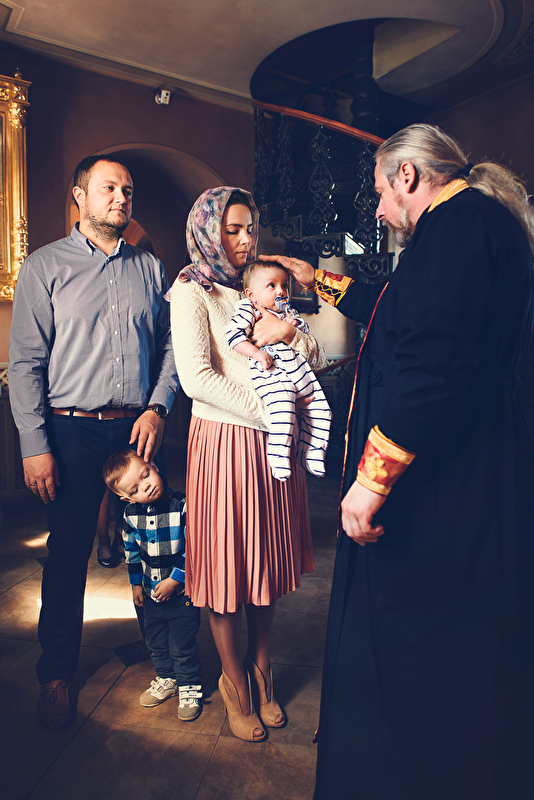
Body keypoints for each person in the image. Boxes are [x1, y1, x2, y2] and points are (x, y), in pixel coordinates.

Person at [261, 124, 534, 799]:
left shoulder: (456, 230)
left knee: (425, 642)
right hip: (471, 466)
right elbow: (392, 308)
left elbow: (431, 364)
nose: (380, 210)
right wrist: (318, 281)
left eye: (381, 192)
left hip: (446, 480)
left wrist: (370, 480)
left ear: (408, 176)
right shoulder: (470, 223)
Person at [8, 155, 178, 730]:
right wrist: (35, 444)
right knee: (68, 552)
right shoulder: (45, 266)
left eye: (128, 190)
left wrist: (157, 407)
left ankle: (170, 663)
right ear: (79, 196)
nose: (121, 198)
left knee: (157, 546)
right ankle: (56, 674)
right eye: (109, 188)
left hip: (137, 428)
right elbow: (26, 362)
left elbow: (172, 347)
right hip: (71, 429)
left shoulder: (151, 269)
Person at [169, 186, 325, 742]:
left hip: (271, 448)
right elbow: (197, 379)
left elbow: (313, 355)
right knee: (226, 569)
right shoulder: (191, 290)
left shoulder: (263, 284)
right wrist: (274, 411)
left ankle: (263, 675)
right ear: (209, 231)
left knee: (264, 568)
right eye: (232, 229)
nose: (244, 239)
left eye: (250, 228)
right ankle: (235, 685)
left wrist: (290, 332)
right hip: (225, 442)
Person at [103, 449, 202, 721]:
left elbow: (195, 548)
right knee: (156, 641)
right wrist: (136, 585)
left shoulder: (183, 505)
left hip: (182, 595)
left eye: (145, 475)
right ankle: (167, 678)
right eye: (135, 489)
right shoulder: (130, 515)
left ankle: (189, 685)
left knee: (182, 644)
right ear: (126, 498)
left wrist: (175, 580)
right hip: (150, 596)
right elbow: (132, 553)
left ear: (154, 466)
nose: (145, 486)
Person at [226, 260, 331, 481]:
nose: (281, 291)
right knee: (283, 407)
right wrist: (256, 353)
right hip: (271, 371)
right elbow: (233, 337)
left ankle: (311, 453)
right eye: (272, 286)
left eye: (284, 285)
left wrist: (294, 325)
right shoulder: (249, 309)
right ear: (251, 294)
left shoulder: (288, 311)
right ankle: (278, 455)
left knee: (322, 409)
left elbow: (306, 335)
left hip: (298, 370)